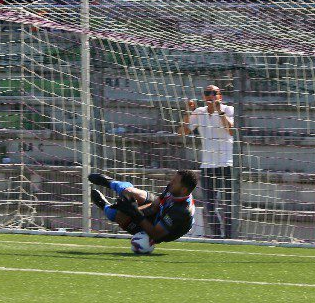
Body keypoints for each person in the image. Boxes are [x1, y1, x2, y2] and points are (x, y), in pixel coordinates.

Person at [87, 170, 199, 251]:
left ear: (183, 189)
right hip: (160, 212)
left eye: (175, 181)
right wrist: (134, 209)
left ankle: (104, 205)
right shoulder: (173, 189)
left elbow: (156, 234)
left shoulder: (181, 211)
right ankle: (109, 182)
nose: (171, 182)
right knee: (130, 193)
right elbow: (154, 206)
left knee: (115, 214)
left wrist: (135, 213)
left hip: (160, 233)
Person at [178, 85, 235, 239]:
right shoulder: (199, 112)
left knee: (229, 204)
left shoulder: (228, 109)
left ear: (220, 96)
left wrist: (219, 111)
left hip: (227, 164)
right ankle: (218, 236)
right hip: (208, 165)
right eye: (207, 93)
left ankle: (230, 237)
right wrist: (189, 112)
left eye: (214, 93)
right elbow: (183, 132)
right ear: (203, 97)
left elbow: (231, 130)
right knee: (209, 206)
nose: (211, 95)